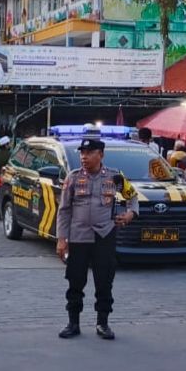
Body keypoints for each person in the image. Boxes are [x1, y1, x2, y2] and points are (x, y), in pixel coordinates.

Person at [56, 138, 139, 340]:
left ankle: (103, 323)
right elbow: (64, 210)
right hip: (79, 237)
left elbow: (133, 196)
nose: (84, 157)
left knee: (104, 281)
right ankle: (73, 323)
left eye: (89, 153)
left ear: (101, 155)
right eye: (82, 153)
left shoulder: (115, 177)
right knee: (75, 281)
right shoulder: (73, 178)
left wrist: (130, 214)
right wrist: (61, 238)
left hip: (105, 235)